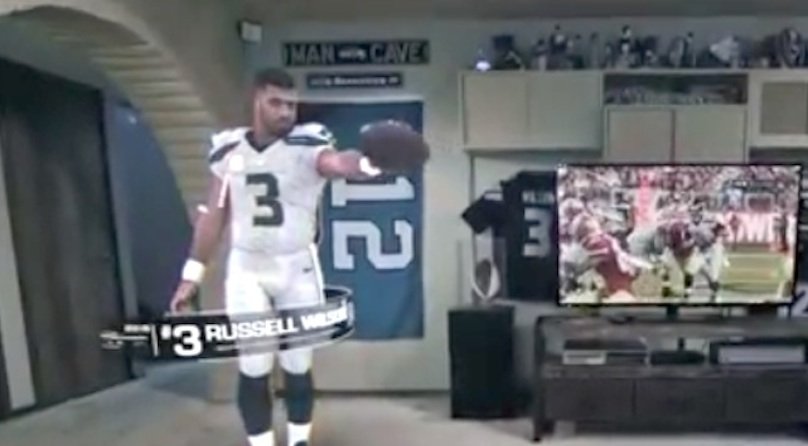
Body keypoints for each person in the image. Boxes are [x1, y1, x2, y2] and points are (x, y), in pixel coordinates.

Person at [169, 67, 385, 446]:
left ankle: (299, 441)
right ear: (257, 101)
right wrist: (192, 273)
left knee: (298, 362)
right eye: (276, 103)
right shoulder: (229, 149)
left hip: (297, 265)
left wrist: (364, 164)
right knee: (254, 364)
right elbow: (215, 213)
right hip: (247, 267)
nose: (286, 112)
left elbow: (336, 163)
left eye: (291, 104)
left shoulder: (308, 143)